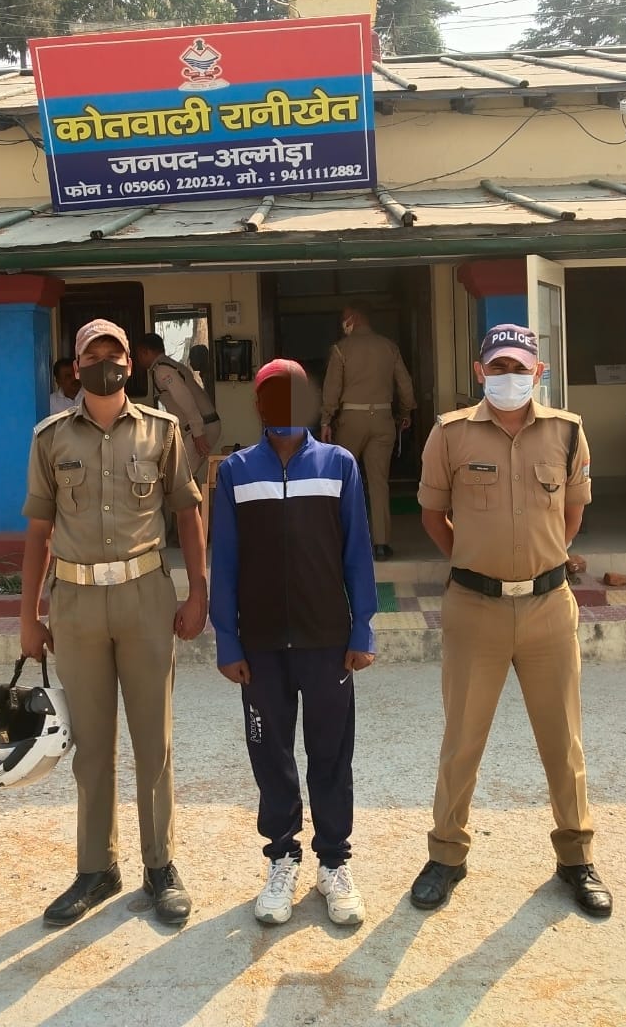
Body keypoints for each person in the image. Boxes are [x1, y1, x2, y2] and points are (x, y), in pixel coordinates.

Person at [410, 323, 612, 918]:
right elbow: (432, 515)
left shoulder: (567, 432)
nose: (508, 377)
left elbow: (572, 513)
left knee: (564, 741)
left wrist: (541, 563)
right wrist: (476, 561)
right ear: (480, 372)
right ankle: (447, 854)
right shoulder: (450, 434)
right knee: (462, 741)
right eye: (497, 367)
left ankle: (576, 857)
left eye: (519, 367)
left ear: (538, 372)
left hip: (549, 608)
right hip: (475, 609)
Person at [19, 318, 208, 929]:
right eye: (92, 354)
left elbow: (188, 515)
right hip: (75, 605)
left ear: (131, 362)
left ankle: (160, 866)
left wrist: (198, 591)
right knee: (92, 744)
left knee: (154, 740)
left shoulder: (162, 431)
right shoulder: (50, 438)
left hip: (144, 597)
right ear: (75, 367)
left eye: (115, 353)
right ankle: (96, 868)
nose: (105, 363)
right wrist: (28, 616)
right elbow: (39, 532)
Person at [210, 359, 378, 928]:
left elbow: (357, 552)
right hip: (259, 646)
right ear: (258, 405)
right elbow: (224, 560)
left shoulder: (339, 464)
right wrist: (227, 638)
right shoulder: (236, 472)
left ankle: (334, 862)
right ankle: (282, 856)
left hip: (327, 640)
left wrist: (362, 627)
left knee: (330, 754)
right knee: (271, 754)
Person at [320, 302, 416, 561]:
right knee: (379, 482)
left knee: (343, 480)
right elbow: (405, 385)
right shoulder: (389, 347)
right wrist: (405, 413)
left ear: (354, 318)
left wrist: (326, 420)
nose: (343, 323)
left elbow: (332, 388)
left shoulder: (341, 349)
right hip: (383, 419)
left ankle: (342, 541)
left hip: (351, 420)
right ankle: (381, 544)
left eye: (344, 318)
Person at [137, 333, 222, 480]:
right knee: (182, 476)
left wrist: (198, 432)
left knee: (179, 478)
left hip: (202, 426)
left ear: (146, 352)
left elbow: (184, 399)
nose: (139, 359)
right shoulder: (169, 365)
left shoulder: (163, 370)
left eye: (139, 355)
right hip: (199, 426)